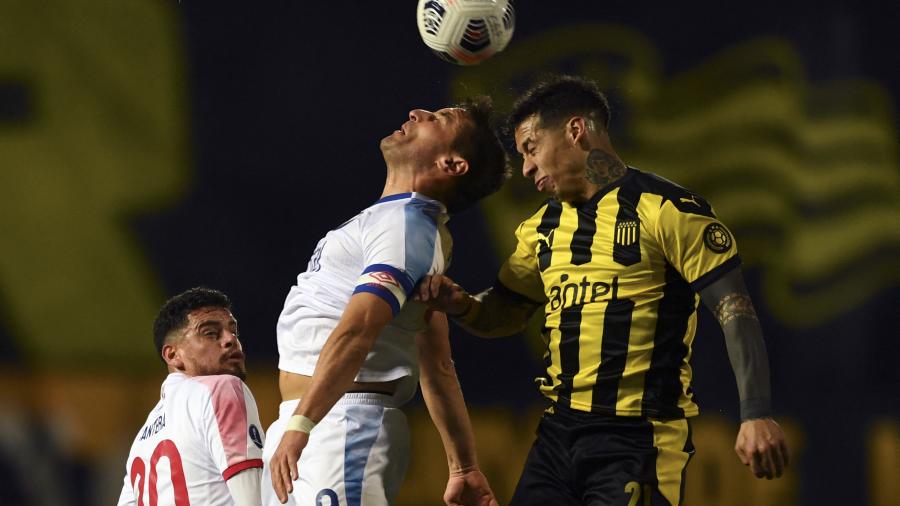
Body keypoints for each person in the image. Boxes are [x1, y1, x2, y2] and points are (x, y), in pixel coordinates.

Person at [418, 76, 790, 505]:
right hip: (557, 436)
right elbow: (504, 312)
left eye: (531, 148)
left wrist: (756, 412)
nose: (526, 168)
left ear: (576, 131)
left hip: (639, 440)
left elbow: (734, 308)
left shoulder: (666, 211)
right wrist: (460, 303)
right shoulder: (540, 230)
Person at [264, 97, 509, 506]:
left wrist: (302, 425)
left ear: (452, 164)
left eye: (438, 119)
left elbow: (359, 330)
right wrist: (462, 466)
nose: (417, 113)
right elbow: (436, 362)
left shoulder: (407, 225)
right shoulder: (399, 224)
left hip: (341, 426)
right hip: (315, 420)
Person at [117, 287, 264, 506]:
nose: (230, 340)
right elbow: (254, 501)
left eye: (234, 331)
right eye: (210, 333)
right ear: (173, 355)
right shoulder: (222, 389)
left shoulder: (141, 441)